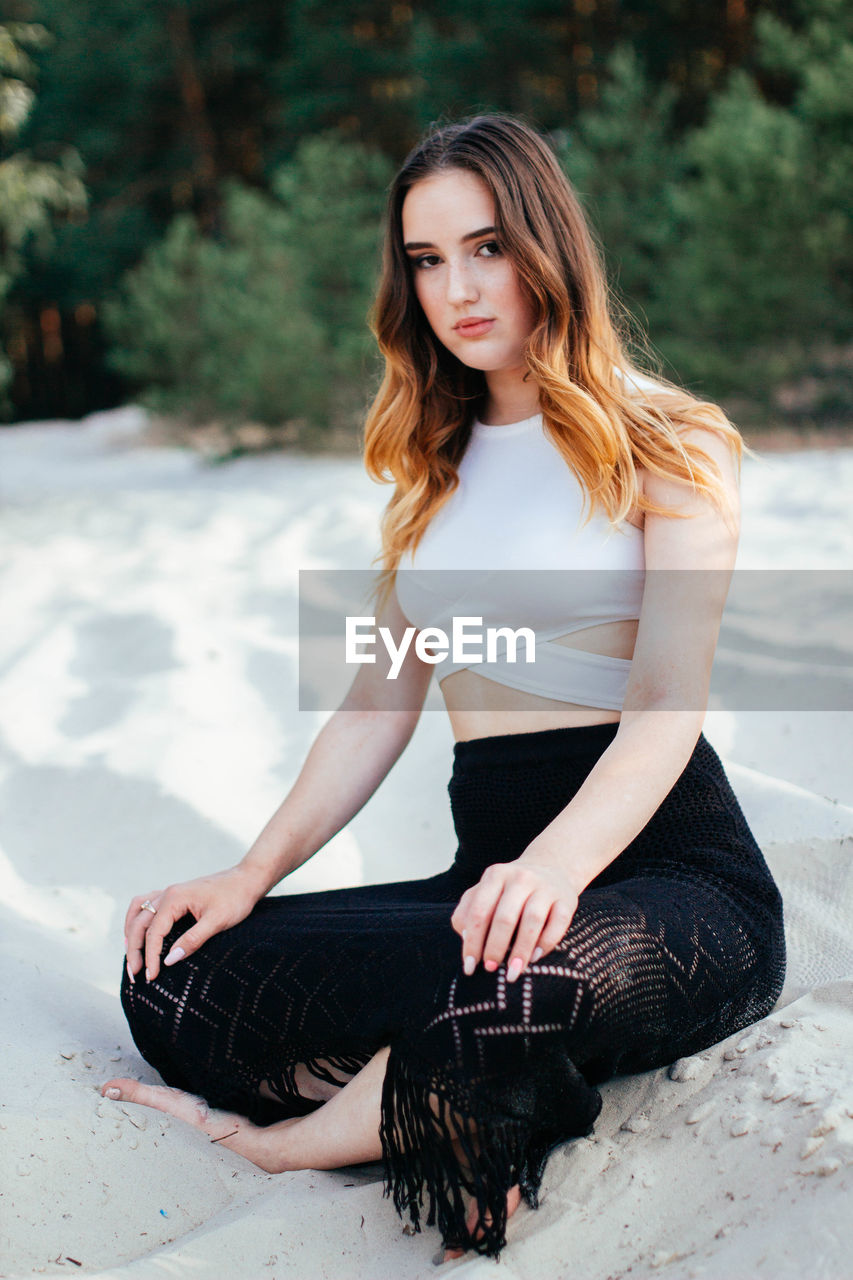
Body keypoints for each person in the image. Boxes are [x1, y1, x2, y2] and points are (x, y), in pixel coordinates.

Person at [101, 114, 786, 1262]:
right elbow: (377, 704)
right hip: (490, 878)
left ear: (545, 245)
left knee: (510, 988)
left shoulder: (670, 444)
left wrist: (560, 867)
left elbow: (669, 704)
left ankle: (299, 1141)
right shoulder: (430, 470)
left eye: (484, 248)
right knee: (176, 978)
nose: (456, 288)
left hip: (667, 870)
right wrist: (250, 871)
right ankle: (453, 1086)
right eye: (425, 261)